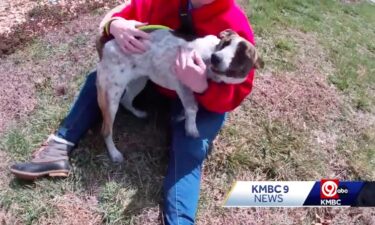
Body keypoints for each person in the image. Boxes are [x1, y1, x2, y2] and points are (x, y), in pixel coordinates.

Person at [10, 0, 256, 224]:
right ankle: (60, 145)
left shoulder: (235, 24)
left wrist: (202, 86)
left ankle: (179, 220)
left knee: (189, 150)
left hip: (204, 101)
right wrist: (115, 25)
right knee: (100, 79)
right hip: (156, 81)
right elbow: (117, 17)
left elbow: (239, 92)